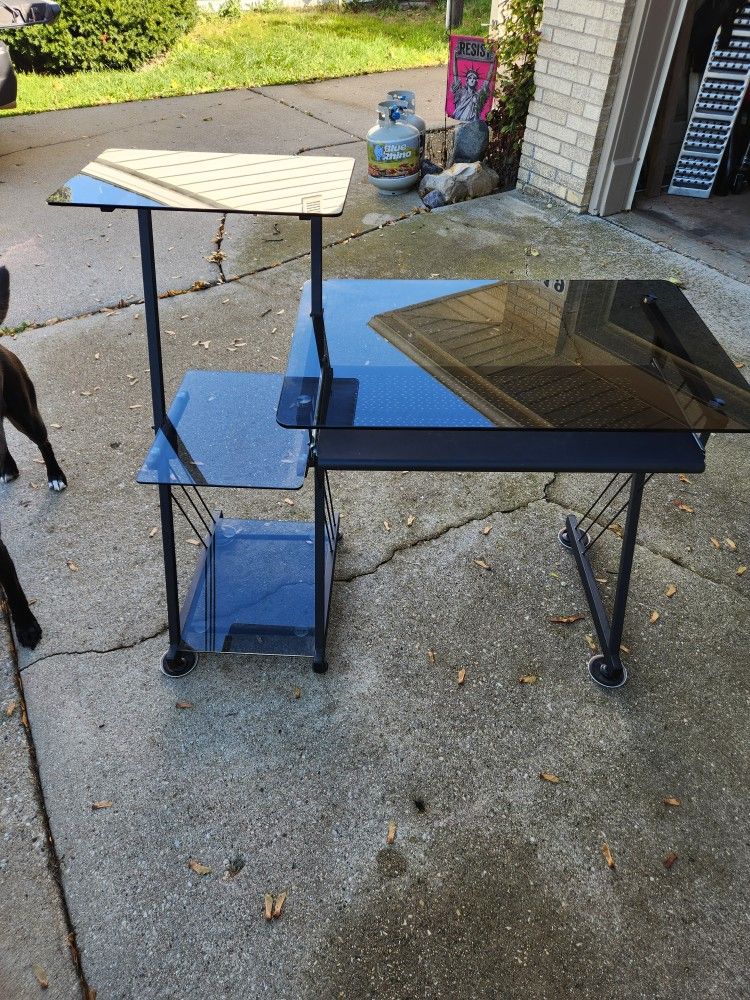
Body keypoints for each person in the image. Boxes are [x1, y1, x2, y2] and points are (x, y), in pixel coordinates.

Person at [450, 47, 494, 122]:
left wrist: (493, 62)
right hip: (461, 121)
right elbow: (455, 74)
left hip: (474, 123)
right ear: (467, 80)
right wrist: (454, 56)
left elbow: (487, 80)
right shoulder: (461, 92)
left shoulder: (479, 95)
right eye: (470, 78)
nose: (472, 80)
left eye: (474, 78)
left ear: (476, 81)